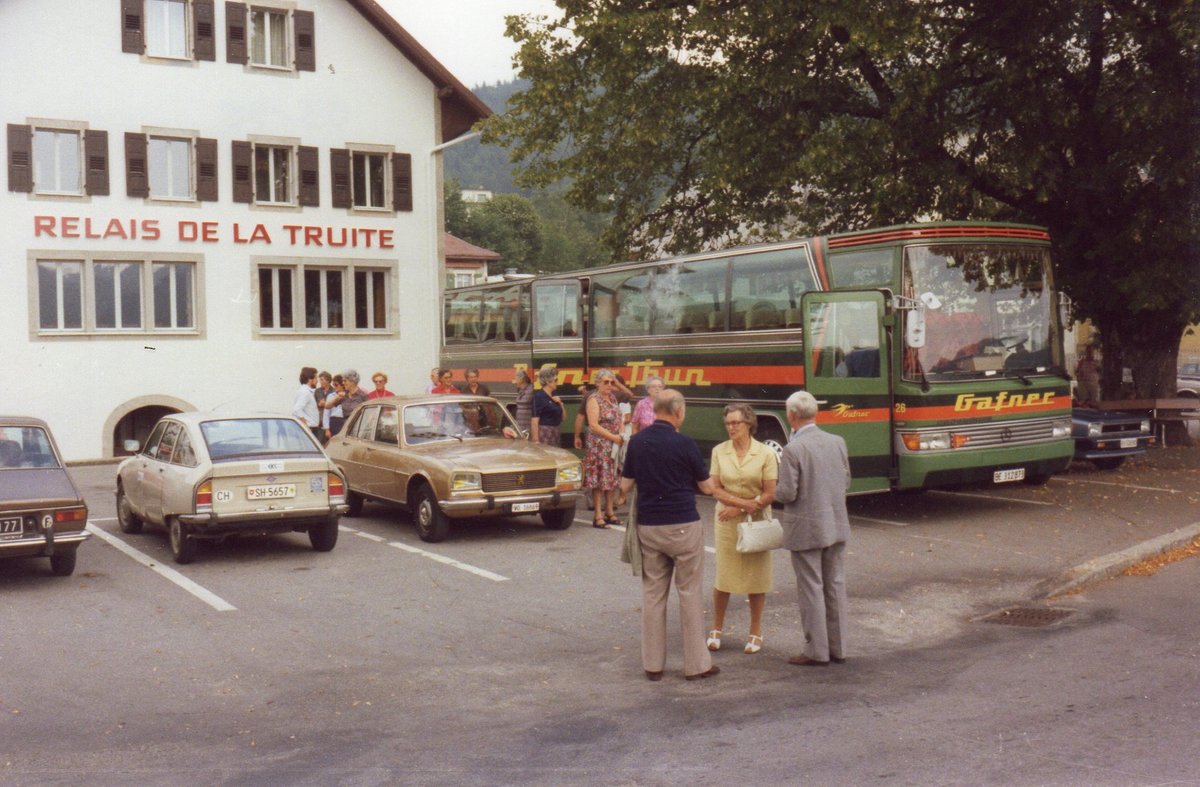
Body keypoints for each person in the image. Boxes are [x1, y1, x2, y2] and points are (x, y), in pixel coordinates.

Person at [619, 389, 719, 682]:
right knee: (689, 593)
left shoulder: (636, 442)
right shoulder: (685, 443)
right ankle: (696, 665)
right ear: (677, 411)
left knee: (652, 595)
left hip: (649, 527)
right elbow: (707, 488)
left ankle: (653, 665)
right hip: (683, 526)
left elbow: (624, 486)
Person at [775, 390, 851, 667]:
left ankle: (817, 651)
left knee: (811, 588)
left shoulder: (793, 449)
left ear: (791, 415)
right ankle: (839, 647)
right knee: (835, 584)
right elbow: (846, 481)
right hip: (836, 522)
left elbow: (786, 493)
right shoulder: (837, 442)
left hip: (806, 527)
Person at [706, 404, 779, 655]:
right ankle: (716, 628)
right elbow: (714, 489)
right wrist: (741, 505)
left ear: (749, 423)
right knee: (723, 576)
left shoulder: (765, 453)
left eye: (736, 423)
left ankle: (755, 630)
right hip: (725, 521)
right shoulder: (719, 451)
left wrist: (743, 508)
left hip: (756, 520)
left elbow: (770, 493)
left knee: (756, 578)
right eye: (728, 423)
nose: (731, 427)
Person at [585, 369, 625, 527]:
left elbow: (619, 417)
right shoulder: (593, 399)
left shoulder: (613, 398)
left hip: (613, 445)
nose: (609, 385)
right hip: (599, 445)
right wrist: (613, 437)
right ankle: (597, 515)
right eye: (606, 382)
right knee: (599, 479)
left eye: (612, 382)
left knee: (611, 478)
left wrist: (621, 432)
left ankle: (610, 512)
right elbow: (594, 425)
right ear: (597, 383)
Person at [531, 366, 564, 446]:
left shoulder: (554, 396)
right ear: (548, 382)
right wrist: (536, 440)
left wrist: (561, 404)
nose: (557, 383)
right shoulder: (539, 396)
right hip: (544, 433)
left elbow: (563, 418)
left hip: (555, 432)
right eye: (555, 380)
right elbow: (534, 421)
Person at [292, 366, 321, 441]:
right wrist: (306, 425)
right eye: (316, 378)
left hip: (309, 429)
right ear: (310, 379)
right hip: (310, 429)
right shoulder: (306, 393)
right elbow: (297, 409)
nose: (317, 381)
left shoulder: (303, 391)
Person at [324, 374, 346, 441]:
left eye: (336, 385)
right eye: (333, 385)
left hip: (345, 421)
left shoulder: (348, 395)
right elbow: (326, 413)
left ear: (342, 384)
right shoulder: (331, 396)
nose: (334, 387)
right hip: (334, 422)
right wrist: (327, 429)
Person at [512, 369, 534, 438]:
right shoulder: (520, 390)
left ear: (522, 380)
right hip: (520, 422)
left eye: (516, 378)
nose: (515, 381)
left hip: (528, 422)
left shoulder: (531, 390)